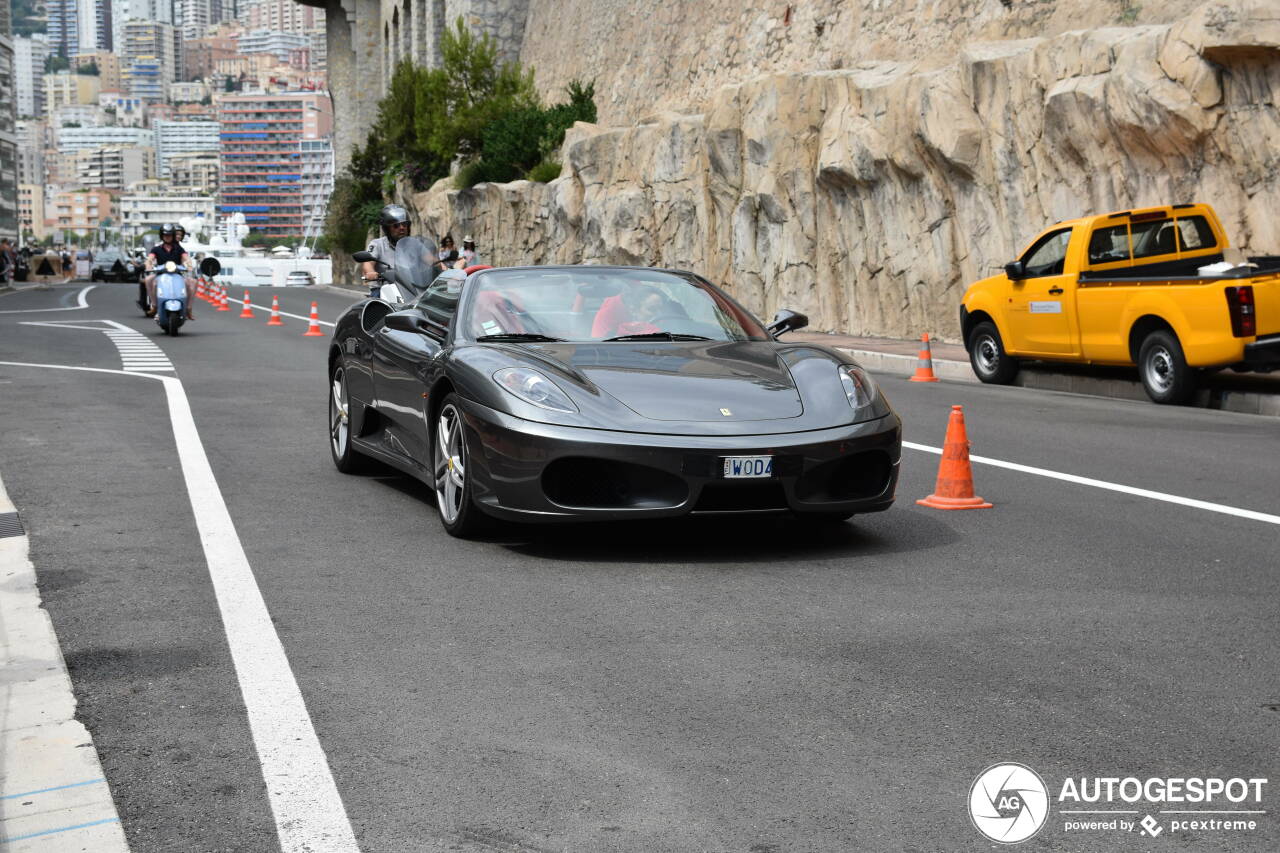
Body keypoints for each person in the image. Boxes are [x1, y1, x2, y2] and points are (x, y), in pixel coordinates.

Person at [361, 204, 435, 298]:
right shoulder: (377, 245)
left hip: (412, 289)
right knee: (375, 306)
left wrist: (448, 271)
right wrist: (371, 273)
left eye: (404, 224)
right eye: (396, 225)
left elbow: (433, 261)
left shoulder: (415, 245)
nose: (401, 228)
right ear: (387, 228)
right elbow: (368, 263)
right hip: (383, 290)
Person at [144, 223, 196, 319]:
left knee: (192, 282)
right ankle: (154, 306)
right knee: (149, 280)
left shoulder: (179, 249)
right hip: (160, 275)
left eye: (169, 235)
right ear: (162, 236)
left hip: (177, 275)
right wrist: (148, 265)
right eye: (165, 235)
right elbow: (150, 259)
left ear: (172, 236)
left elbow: (186, 258)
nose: (167, 237)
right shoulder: (156, 249)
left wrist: (189, 265)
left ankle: (188, 308)